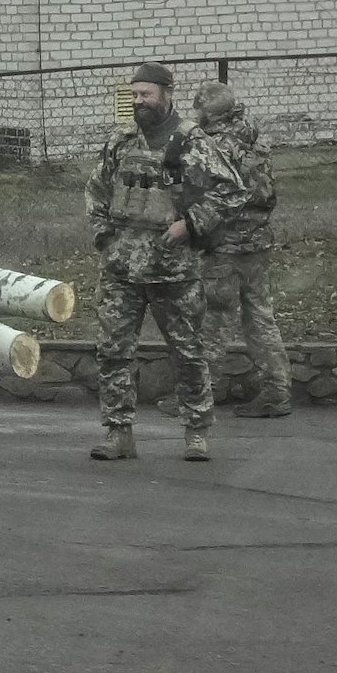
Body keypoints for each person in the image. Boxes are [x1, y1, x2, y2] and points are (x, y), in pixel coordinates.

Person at [84, 61, 247, 462]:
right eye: (134, 94)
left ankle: (196, 433)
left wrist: (190, 225)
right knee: (114, 351)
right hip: (122, 270)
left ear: (167, 94)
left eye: (146, 94)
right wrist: (103, 233)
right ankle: (118, 432)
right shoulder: (121, 140)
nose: (139, 102)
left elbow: (232, 191)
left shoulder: (190, 141)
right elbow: (97, 188)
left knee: (188, 353)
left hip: (173, 269)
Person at [191, 81, 292, 419]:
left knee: (214, 318)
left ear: (207, 113)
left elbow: (206, 192)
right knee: (260, 316)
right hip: (258, 241)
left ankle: (201, 392)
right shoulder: (256, 140)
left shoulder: (215, 146)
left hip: (225, 244)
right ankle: (277, 390)